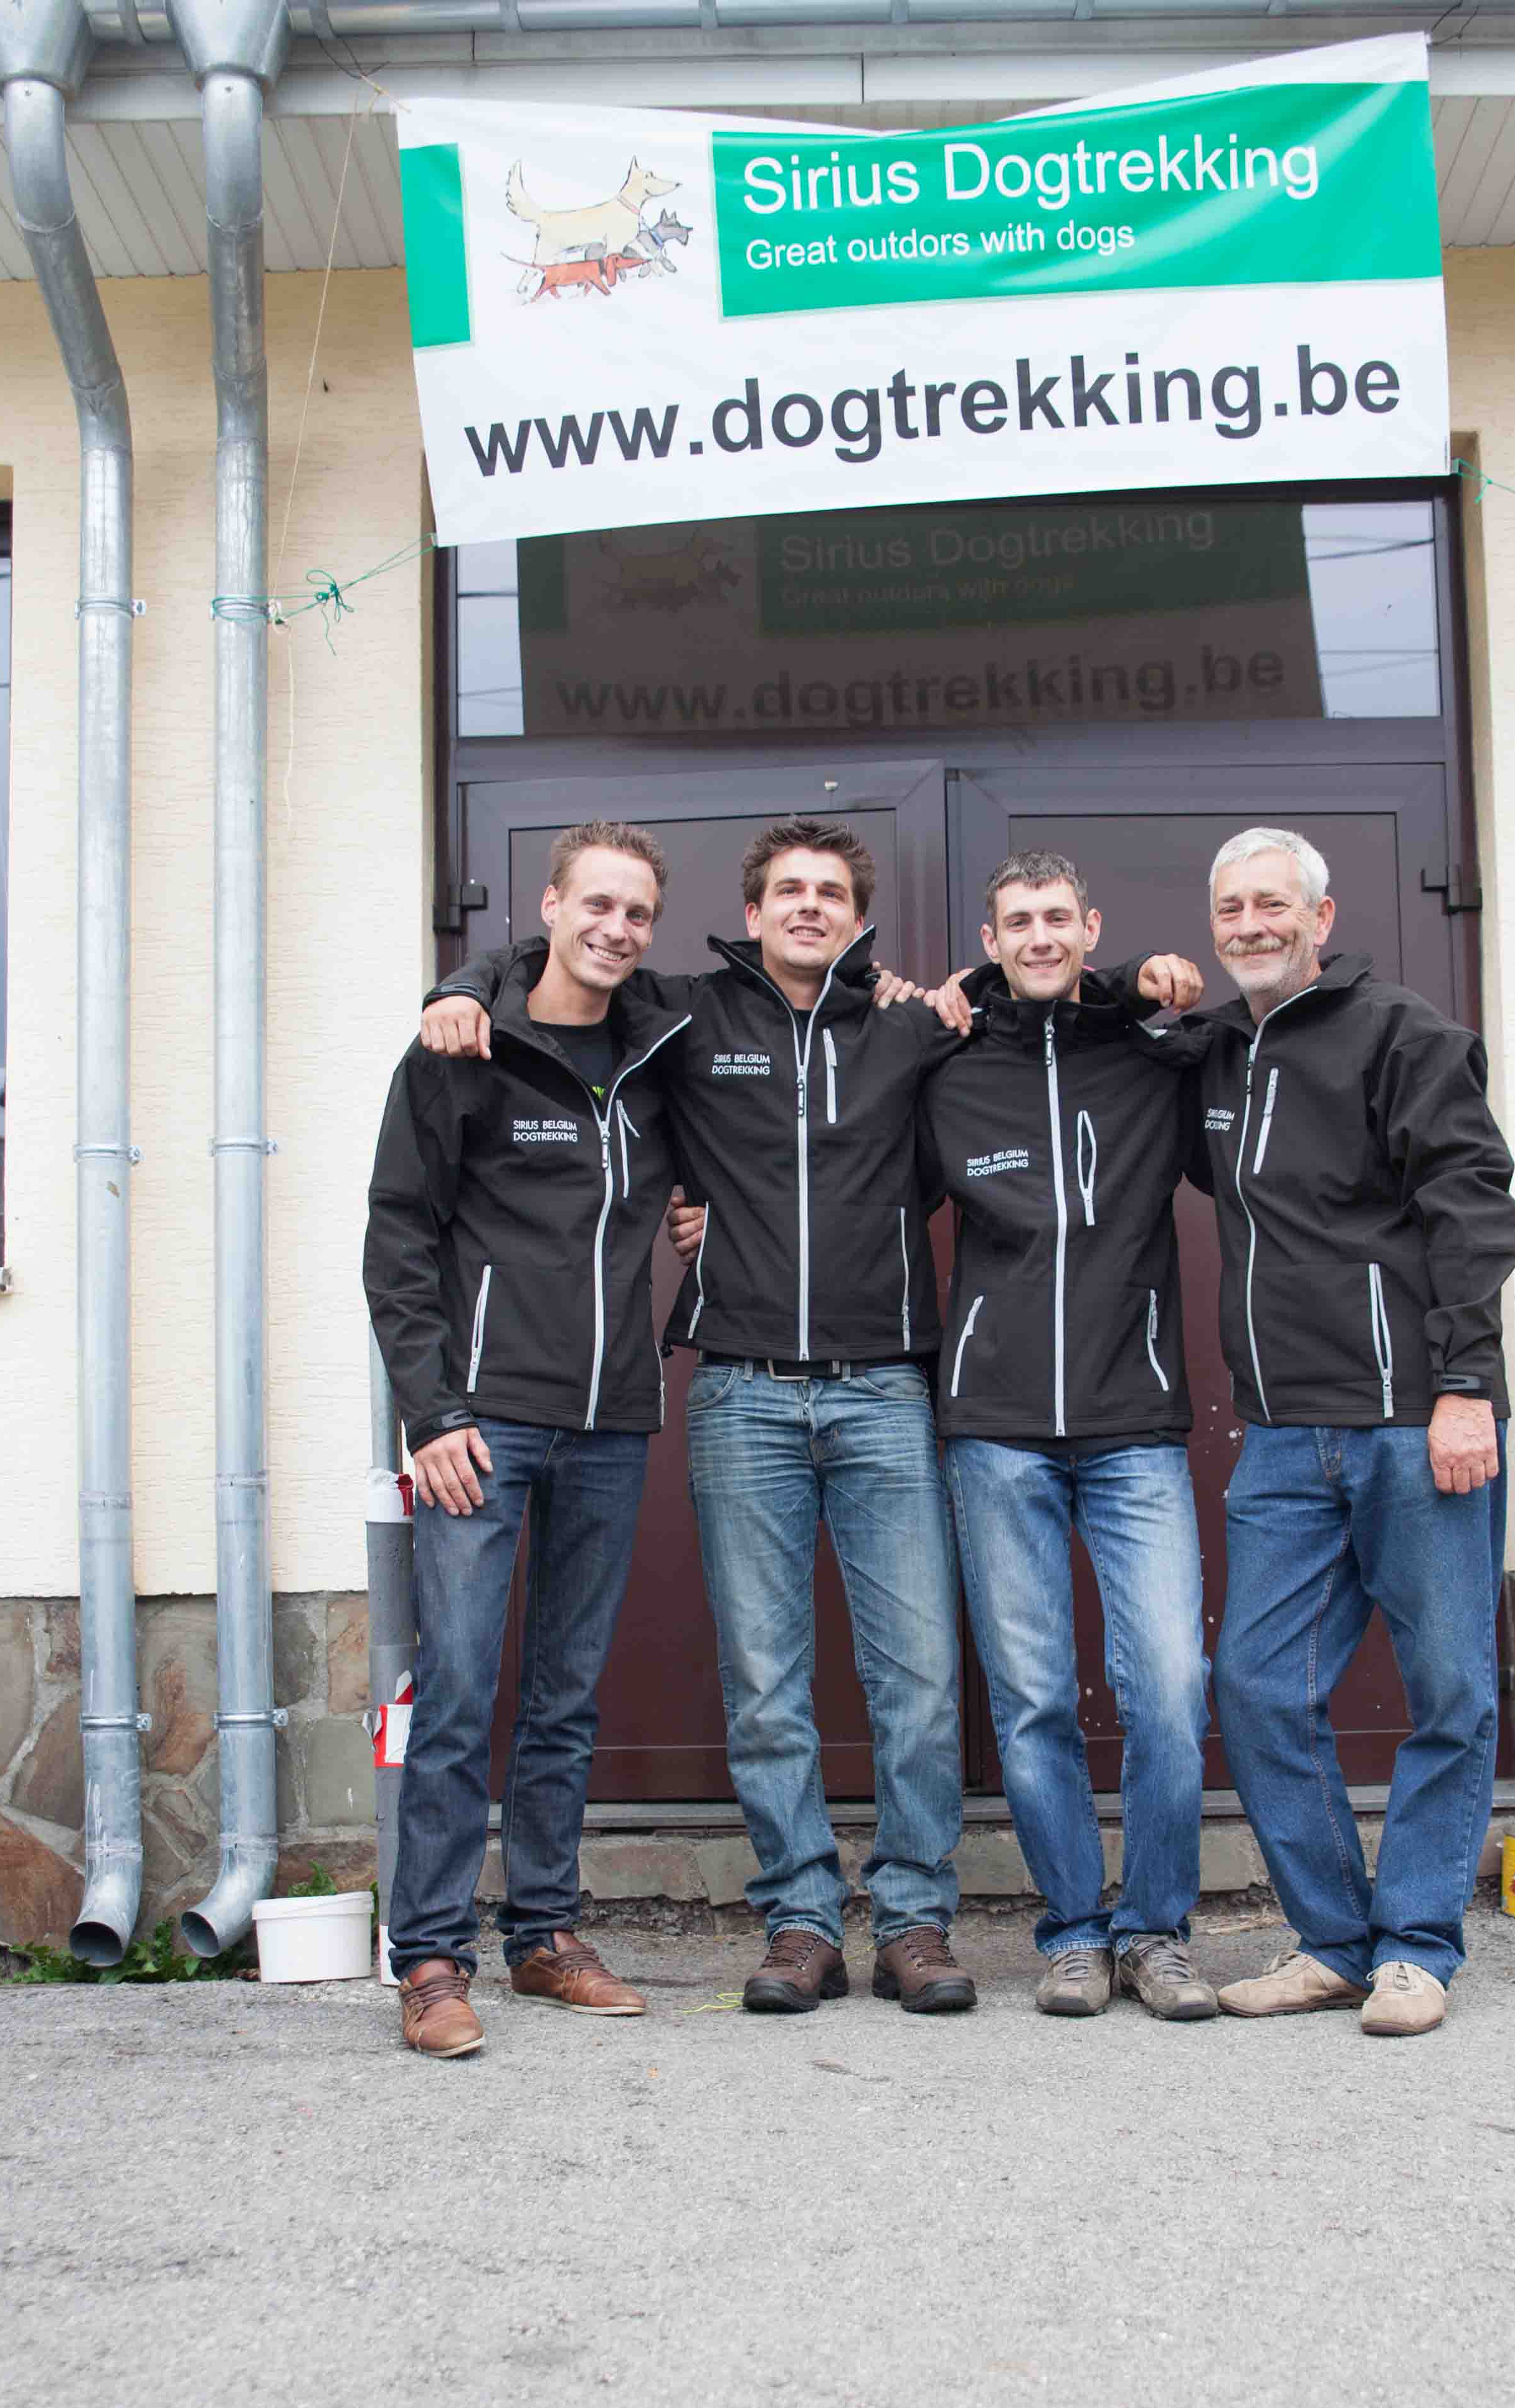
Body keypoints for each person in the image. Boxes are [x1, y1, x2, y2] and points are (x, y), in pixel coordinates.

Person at [419, 820, 977, 2016]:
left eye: (832, 893)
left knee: (921, 1677)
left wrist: (1131, 982)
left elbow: (1037, 1010)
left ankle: (916, 1919)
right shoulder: (684, 1014)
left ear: (858, 917)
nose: (810, 906)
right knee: (766, 1683)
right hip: (741, 1391)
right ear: (753, 912)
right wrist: (458, 984)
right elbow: (559, 973)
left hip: (883, 1386)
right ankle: (800, 1920)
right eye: (789, 890)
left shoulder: (909, 1025)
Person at [1184, 827, 1515, 2038]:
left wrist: (1467, 1383)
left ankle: (1417, 1946)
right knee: (1257, 1686)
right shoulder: (1219, 1053)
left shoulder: (1404, 1035)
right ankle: (1334, 1939)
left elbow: (1472, 1210)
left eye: (1273, 903)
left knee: (1450, 1689)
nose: (1252, 924)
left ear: (1321, 918)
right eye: (1232, 907)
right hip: (1283, 1434)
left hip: (1413, 1421)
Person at [365, 822, 687, 2059]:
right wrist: (431, 1411)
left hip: (610, 1419)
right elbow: (398, 1238)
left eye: (636, 911)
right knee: (458, 1690)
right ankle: (430, 1958)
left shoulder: (660, 1050)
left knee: (564, 1696)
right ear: (548, 906)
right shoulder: (461, 1049)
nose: (615, 928)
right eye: (595, 903)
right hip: (483, 1425)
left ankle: (543, 1932)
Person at [919, 851, 1219, 2022]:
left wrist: (1151, 988)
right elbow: (848, 1177)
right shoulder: (948, 1065)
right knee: (1034, 1695)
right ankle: (1075, 1932)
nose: (1039, 936)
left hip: (1133, 1418)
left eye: (1058, 917)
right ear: (990, 941)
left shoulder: (1147, 1050)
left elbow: (1236, 1068)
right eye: (1018, 922)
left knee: (1170, 1686)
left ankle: (1156, 1930)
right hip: (996, 1428)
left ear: (1090, 927)